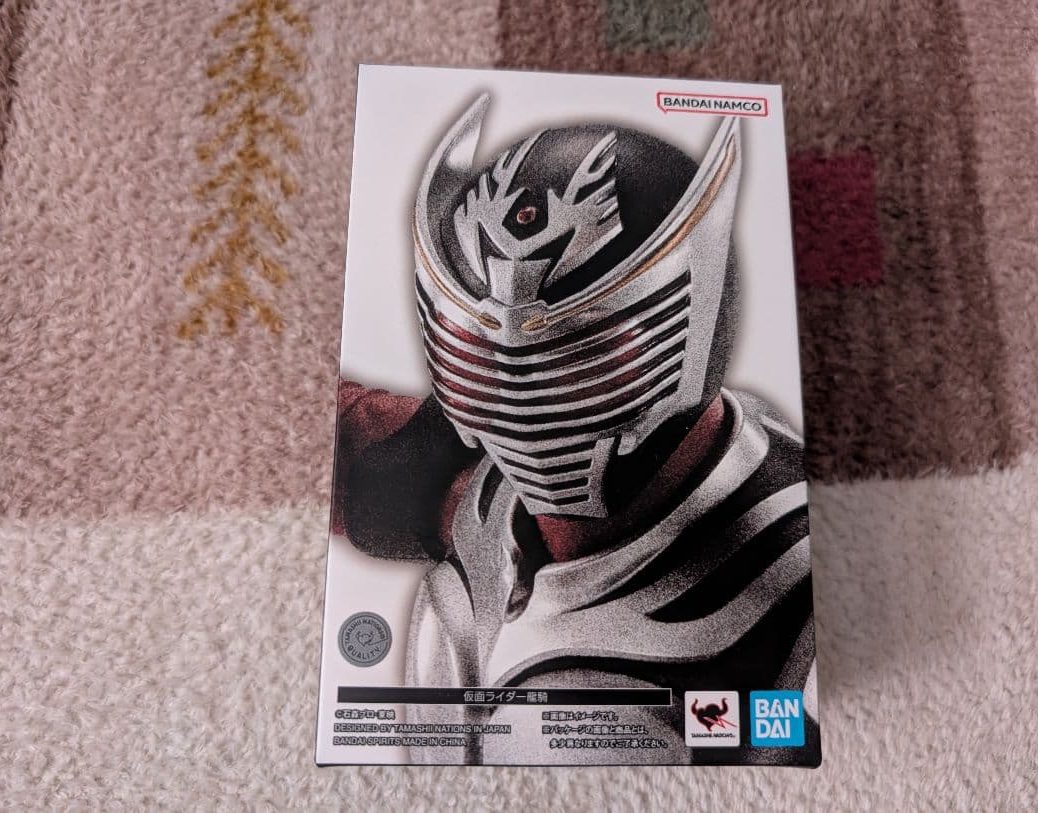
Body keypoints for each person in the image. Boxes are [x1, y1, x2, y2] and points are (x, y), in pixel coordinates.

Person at [332, 96, 819, 765]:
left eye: (581, 359)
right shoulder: (483, 506)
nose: (518, 404)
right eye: (475, 356)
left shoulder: (792, 617)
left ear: (692, 326)